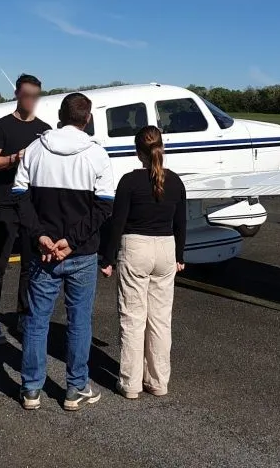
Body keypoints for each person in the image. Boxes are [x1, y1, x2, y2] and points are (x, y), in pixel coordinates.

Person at [13, 92, 115, 411]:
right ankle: (76, 387)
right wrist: (71, 241)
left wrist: (41, 235)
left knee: (36, 320)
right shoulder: (97, 154)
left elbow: (19, 197)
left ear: (60, 114)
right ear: (87, 118)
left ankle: (31, 389)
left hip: (42, 253)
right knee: (79, 320)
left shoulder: (34, 150)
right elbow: (103, 207)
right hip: (81, 254)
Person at [99, 125, 186, 400]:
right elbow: (181, 223)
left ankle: (130, 383)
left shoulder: (129, 182)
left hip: (136, 248)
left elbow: (117, 222)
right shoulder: (176, 182)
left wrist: (108, 258)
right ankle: (158, 381)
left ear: (138, 152)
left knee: (133, 318)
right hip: (166, 248)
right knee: (160, 320)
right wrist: (180, 256)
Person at [0, 73, 51, 344]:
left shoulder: (45, 129)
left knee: (30, 264)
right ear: (17, 95)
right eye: (26, 95)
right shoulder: (0, 126)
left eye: (35, 95)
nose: (30, 100)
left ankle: (23, 314)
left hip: (32, 206)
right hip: (7, 203)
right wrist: (15, 158)